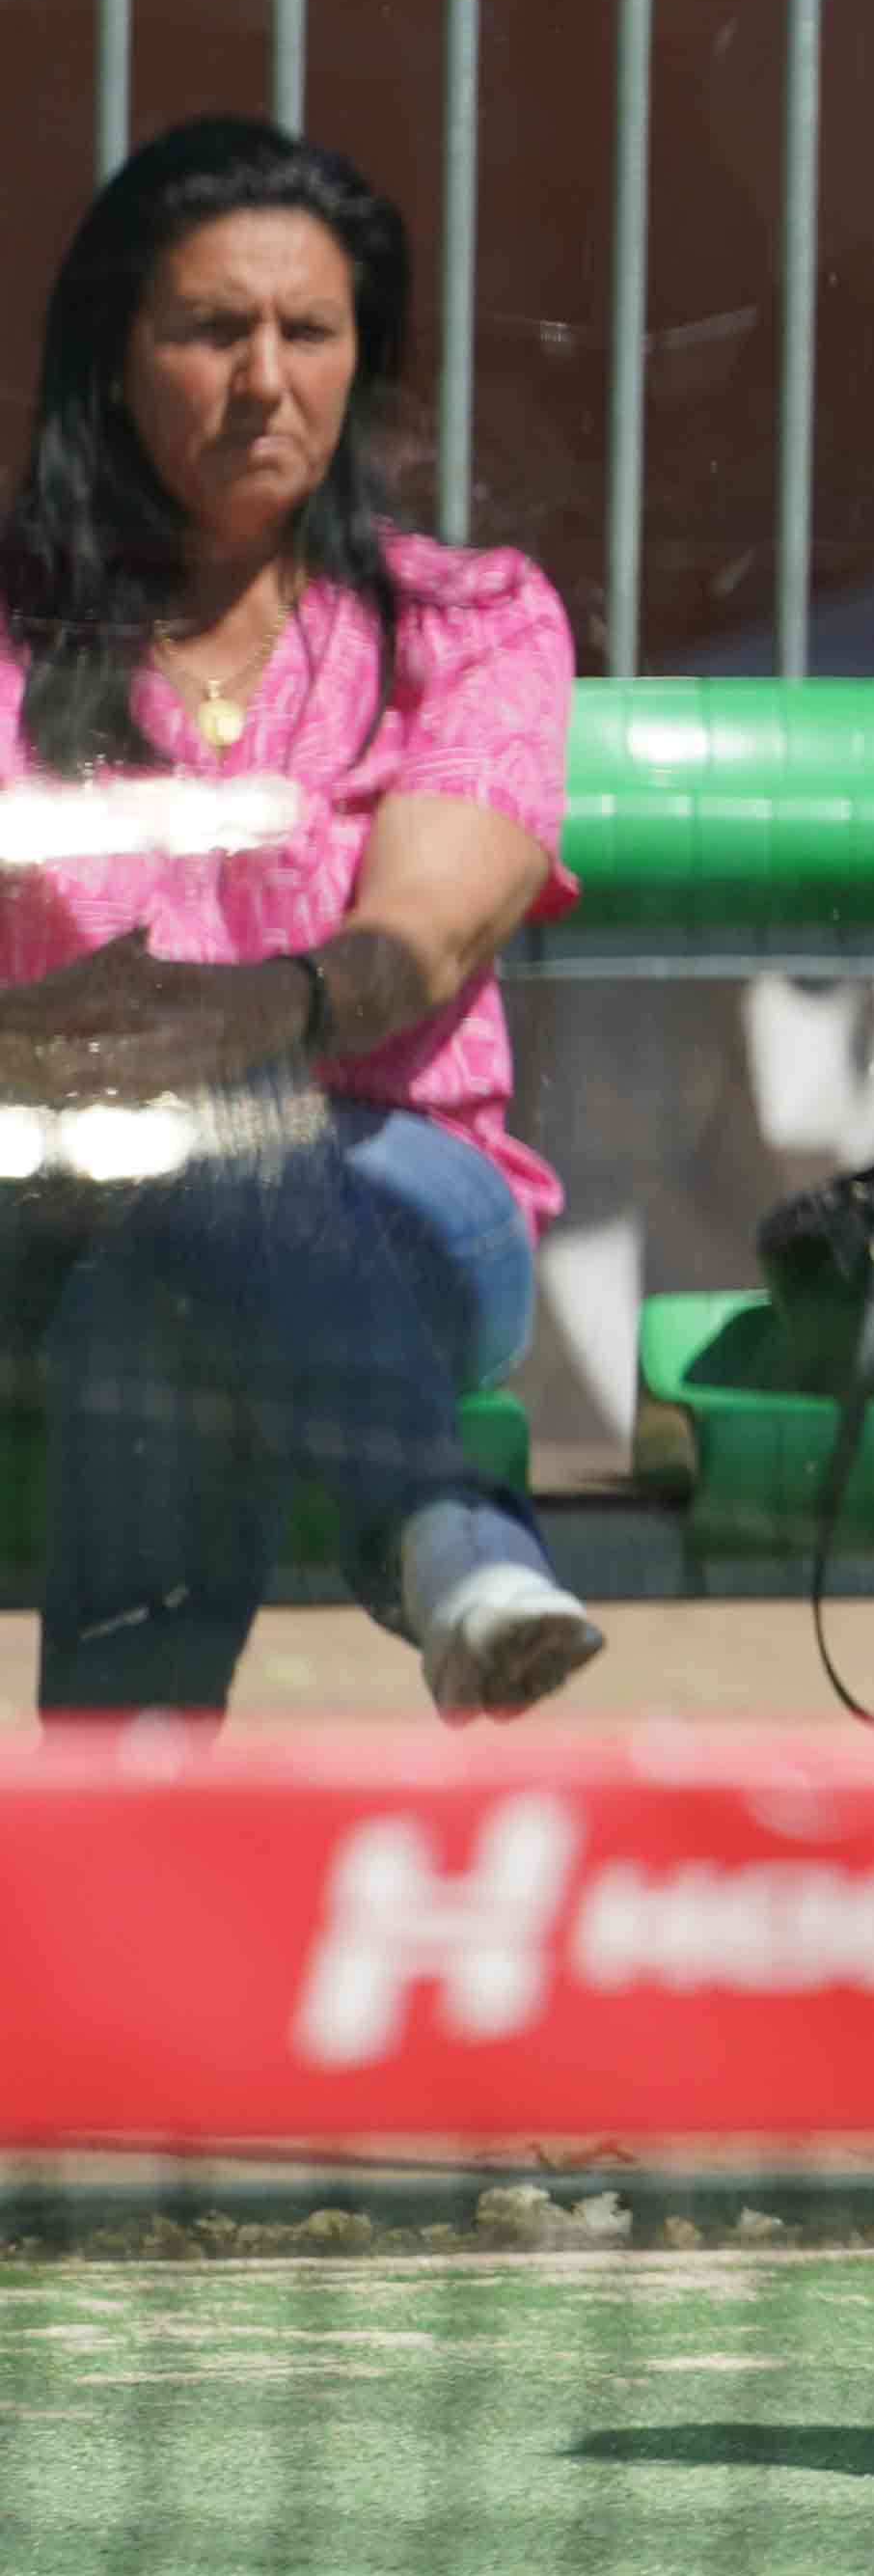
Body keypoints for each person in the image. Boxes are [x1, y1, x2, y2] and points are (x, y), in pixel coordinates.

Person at [6, 117, 595, 1723]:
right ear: (112, 360)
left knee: (160, 1285)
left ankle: (117, 1851)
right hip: (42, 1202)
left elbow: (433, 927)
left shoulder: (466, 621)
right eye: (211, 330)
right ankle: (448, 1541)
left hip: (404, 1194)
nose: (266, 380)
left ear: (361, 366)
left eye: (310, 333)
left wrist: (252, 1018)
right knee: (161, 1212)